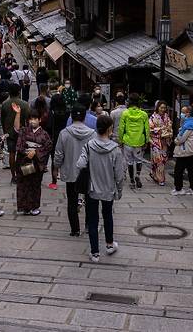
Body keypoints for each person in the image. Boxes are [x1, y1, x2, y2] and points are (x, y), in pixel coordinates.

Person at [77, 115, 124, 263]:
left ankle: (95, 253)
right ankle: (110, 245)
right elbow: (119, 175)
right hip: (108, 189)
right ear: (110, 128)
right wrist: (119, 190)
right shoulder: (115, 149)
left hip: (92, 189)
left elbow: (80, 164)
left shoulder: (89, 145)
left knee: (92, 220)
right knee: (107, 215)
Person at [54, 104, 95, 236]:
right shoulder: (92, 134)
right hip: (87, 173)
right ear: (84, 117)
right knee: (89, 200)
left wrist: (56, 166)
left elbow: (59, 154)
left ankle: (75, 229)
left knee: (72, 200)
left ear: (71, 117)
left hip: (70, 171)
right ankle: (88, 226)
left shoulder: (64, 133)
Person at [15, 109, 52, 215]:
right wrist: (26, 152)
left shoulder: (44, 134)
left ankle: (34, 207)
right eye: (30, 119)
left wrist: (36, 152)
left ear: (39, 120)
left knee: (35, 184)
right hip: (25, 160)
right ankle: (25, 207)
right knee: (24, 184)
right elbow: (19, 144)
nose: (32, 121)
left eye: (35, 119)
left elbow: (48, 147)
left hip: (37, 162)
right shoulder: (24, 131)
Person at [118, 93, 150, 189]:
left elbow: (121, 128)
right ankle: (138, 175)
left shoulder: (125, 113)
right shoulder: (144, 114)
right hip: (139, 141)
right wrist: (146, 141)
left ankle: (132, 180)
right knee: (139, 160)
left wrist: (120, 140)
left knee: (130, 162)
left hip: (128, 140)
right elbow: (147, 129)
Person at [1, 84, 30, 182]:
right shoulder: (25, 104)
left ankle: (13, 176)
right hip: (22, 133)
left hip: (10, 133)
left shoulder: (5, 104)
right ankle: (24, 174)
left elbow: (2, 120)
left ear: (9, 93)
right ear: (19, 92)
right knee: (23, 154)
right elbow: (28, 120)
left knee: (12, 154)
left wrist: (5, 132)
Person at [173, 106, 193, 196]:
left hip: (184, 151)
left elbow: (181, 139)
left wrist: (176, 141)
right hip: (192, 151)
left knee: (178, 170)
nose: (181, 114)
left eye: (183, 112)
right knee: (191, 170)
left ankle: (179, 189)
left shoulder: (188, 125)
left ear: (188, 113)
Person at [149, 101, 173, 187]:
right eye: (161, 107)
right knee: (159, 160)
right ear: (157, 107)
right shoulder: (153, 117)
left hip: (164, 141)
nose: (163, 109)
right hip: (155, 141)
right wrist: (160, 129)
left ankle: (153, 173)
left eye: (164, 107)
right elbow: (150, 129)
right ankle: (161, 179)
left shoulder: (167, 117)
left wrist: (168, 130)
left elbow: (170, 126)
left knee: (163, 159)